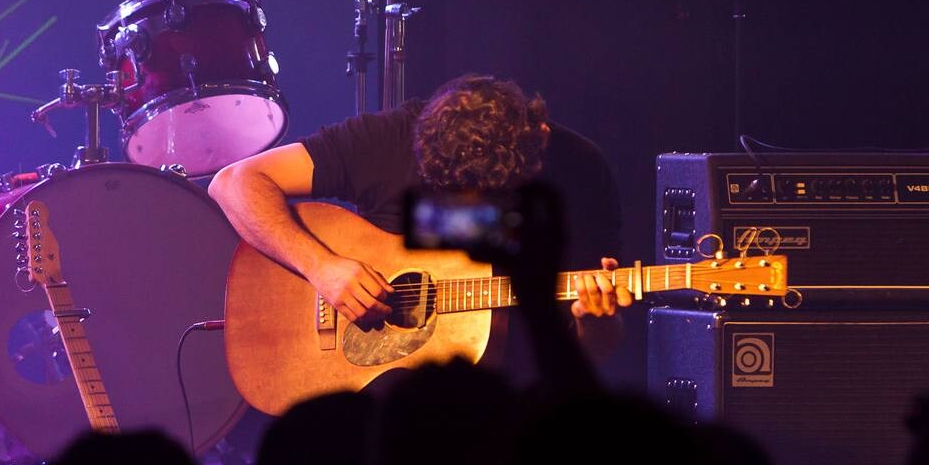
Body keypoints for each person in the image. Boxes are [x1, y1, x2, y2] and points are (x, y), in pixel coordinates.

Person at [208, 73, 631, 369]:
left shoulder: (583, 173)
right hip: (377, 401)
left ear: (538, 141)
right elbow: (233, 183)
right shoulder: (392, 136)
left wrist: (597, 322)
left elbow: (589, 356)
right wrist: (321, 267)